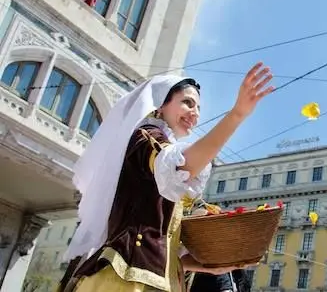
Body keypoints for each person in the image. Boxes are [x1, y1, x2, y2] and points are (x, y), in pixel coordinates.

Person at [57, 63, 274, 292]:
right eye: (187, 102)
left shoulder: (162, 150)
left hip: (153, 279)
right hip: (126, 280)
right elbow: (184, 165)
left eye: (198, 107)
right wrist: (237, 114)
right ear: (161, 104)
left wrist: (208, 266)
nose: (195, 113)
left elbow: (163, 246)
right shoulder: (145, 138)